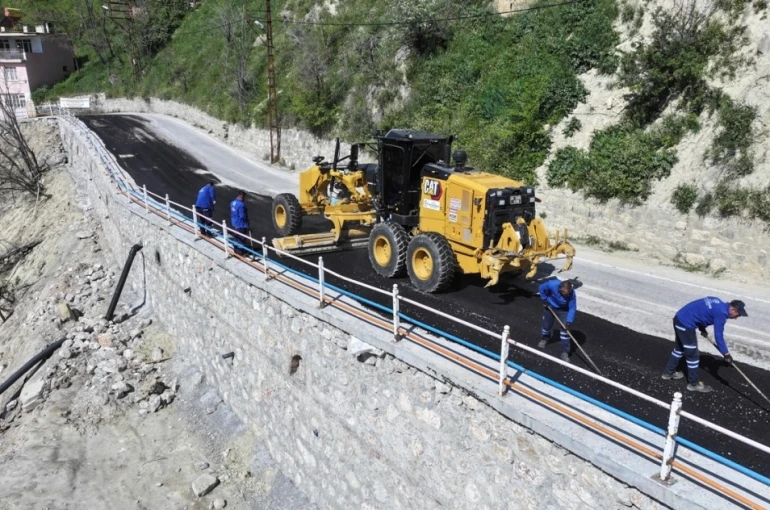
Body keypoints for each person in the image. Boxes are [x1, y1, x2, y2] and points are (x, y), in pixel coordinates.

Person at [662, 297, 747, 393]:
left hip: (679, 319)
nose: (736, 318)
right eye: (738, 315)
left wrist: (702, 328)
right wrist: (726, 353)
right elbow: (718, 336)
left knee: (679, 349)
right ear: (732, 310)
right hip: (686, 325)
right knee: (693, 356)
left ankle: (668, 373)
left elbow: (702, 312)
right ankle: (693, 384)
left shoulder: (717, 301)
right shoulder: (721, 314)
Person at [537, 279, 577, 362]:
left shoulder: (572, 294)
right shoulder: (552, 284)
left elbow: (572, 308)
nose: (566, 296)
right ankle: (544, 339)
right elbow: (541, 288)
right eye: (565, 294)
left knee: (565, 332)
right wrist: (544, 299)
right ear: (560, 289)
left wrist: (569, 321)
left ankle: (565, 352)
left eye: (568, 294)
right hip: (550, 306)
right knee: (546, 326)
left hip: (564, 310)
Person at [229, 190, 250, 255]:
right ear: (242, 196)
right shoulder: (241, 205)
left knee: (236, 237)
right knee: (241, 238)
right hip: (241, 224)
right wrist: (247, 221)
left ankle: (236, 250)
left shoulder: (232, 202)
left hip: (234, 222)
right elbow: (242, 216)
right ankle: (241, 252)